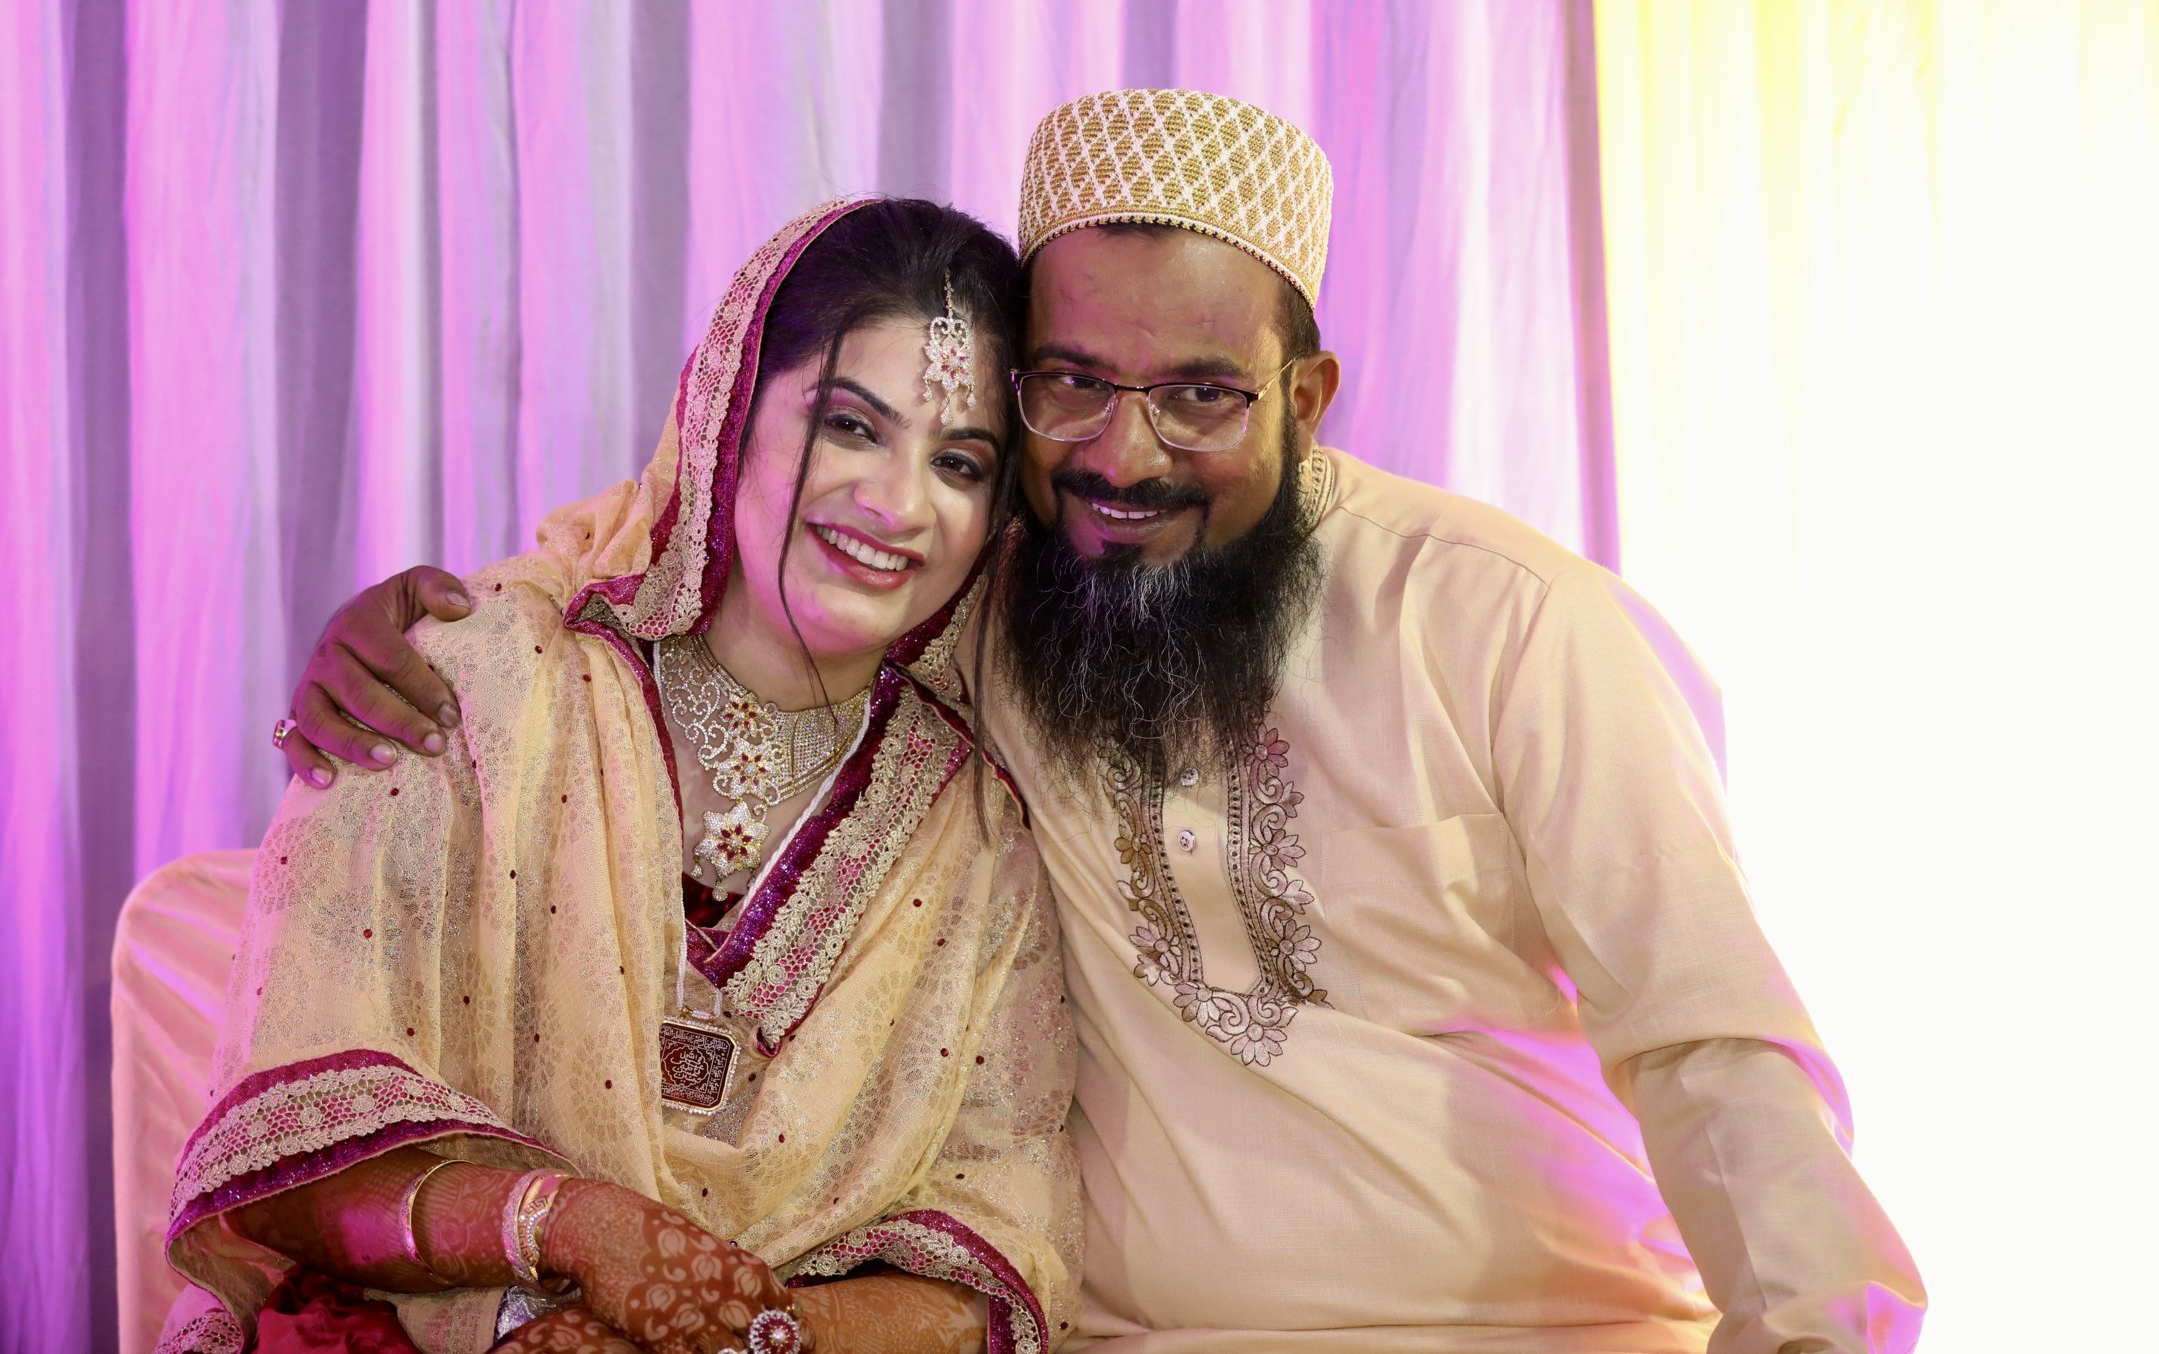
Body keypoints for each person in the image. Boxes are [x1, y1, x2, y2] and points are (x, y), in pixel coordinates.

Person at [283, 90, 1926, 1352]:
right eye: (1069, 382)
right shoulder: (997, 586)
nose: (1122, 455)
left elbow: (1714, 1053)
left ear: (1303, 393)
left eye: (1198, 395)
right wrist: (450, 615)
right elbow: (704, 526)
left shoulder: (1504, 624)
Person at [164, 199, 1081, 1354]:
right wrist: (569, 1233)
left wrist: (741, 1338)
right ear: (727, 413)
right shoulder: (480, 682)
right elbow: (284, 1140)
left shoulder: (978, 832)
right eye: (849, 426)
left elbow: (995, 1249)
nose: (895, 504)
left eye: (958, 463)